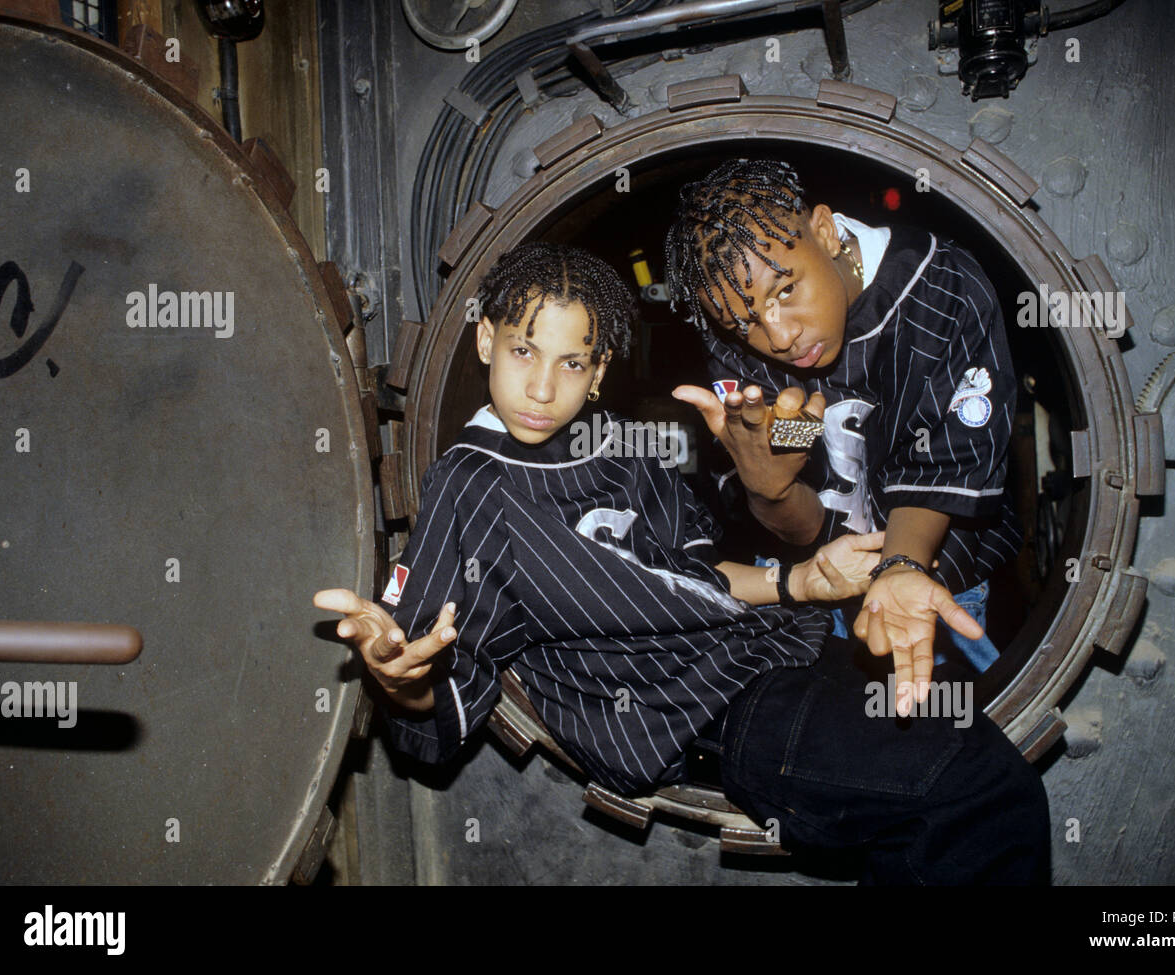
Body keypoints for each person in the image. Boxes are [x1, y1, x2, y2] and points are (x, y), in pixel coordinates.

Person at [315, 241, 1049, 884]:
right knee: (977, 789)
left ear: (599, 369)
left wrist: (801, 580)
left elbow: (697, 579)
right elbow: (437, 685)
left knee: (958, 768)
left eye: (572, 361)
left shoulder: (621, 452)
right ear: (484, 341)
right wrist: (397, 677)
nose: (542, 387)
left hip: (781, 653)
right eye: (523, 350)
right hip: (710, 714)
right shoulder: (469, 485)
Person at [666, 158, 1023, 684]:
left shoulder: (941, 292)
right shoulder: (738, 335)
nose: (779, 336)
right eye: (745, 322)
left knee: (948, 743)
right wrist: (770, 491)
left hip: (937, 584)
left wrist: (901, 567)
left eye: (785, 290)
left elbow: (945, 467)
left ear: (826, 232)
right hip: (813, 589)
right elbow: (806, 513)